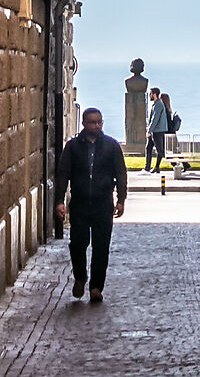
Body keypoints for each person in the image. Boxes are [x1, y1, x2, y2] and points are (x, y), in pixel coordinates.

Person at [52, 106, 127, 304]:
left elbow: (120, 172)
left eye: (99, 122)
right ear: (84, 123)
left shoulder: (111, 146)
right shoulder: (73, 146)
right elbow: (63, 174)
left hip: (103, 204)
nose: (97, 125)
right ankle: (80, 276)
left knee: (101, 247)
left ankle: (96, 287)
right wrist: (59, 200)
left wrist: (121, 199)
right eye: (93, 122)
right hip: (80, 204)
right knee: (78, 244)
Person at [146, 87, 172, 171]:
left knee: (160, 151)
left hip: (157, 131)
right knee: (148, 148)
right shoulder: (156, 104)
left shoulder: (158, 105)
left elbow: (155, 119)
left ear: (154, 94)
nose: (149, 95)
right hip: (154, 131)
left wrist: (149, 130)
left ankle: (175, 163)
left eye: (150, 94)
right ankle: (147, 168)